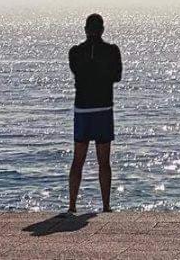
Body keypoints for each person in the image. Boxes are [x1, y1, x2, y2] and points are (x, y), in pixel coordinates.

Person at [67, 12, 122, 213]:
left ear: (85, 30)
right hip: (103, 109)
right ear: (102, 30)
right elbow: (117, 76)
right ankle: (106, 205)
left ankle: (72, 205)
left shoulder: (75, 52)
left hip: (82, 109)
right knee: (104, 161)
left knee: (78, 159)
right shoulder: (112, 51)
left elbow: (77, 71)